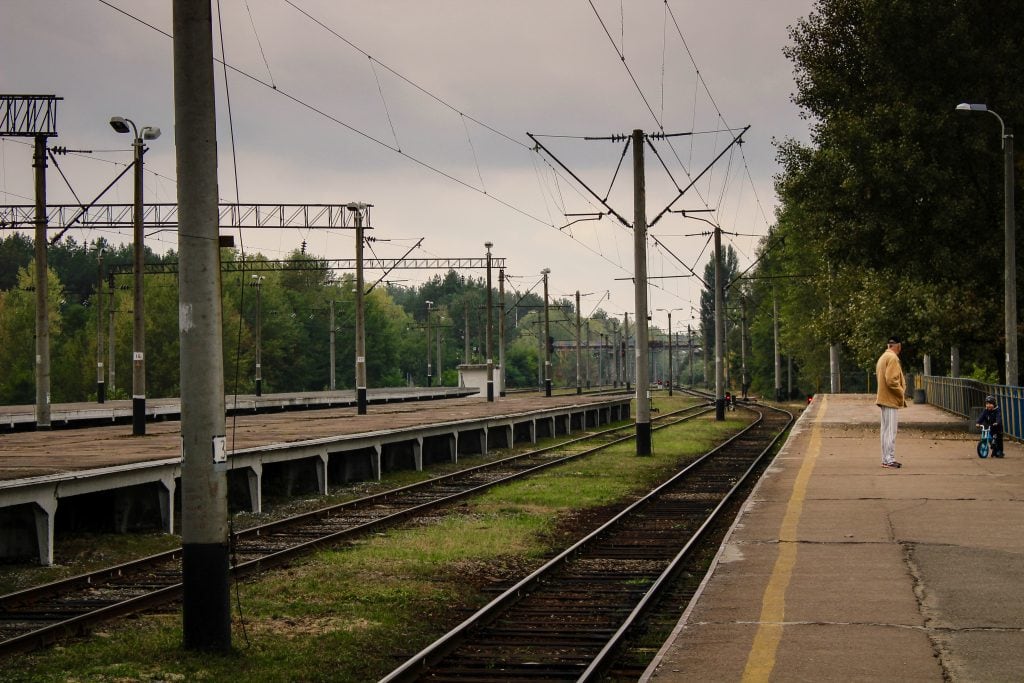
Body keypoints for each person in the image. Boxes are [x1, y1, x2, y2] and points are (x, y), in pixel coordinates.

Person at [875, 335, 907, 468]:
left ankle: (885, 459)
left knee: (885, 431)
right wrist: (901, 392)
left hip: (883, 398)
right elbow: (891, 380)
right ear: (898, 346)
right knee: (890, 431)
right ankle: (889, 459)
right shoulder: (893, 358)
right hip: (890, 399)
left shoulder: (883, 357)